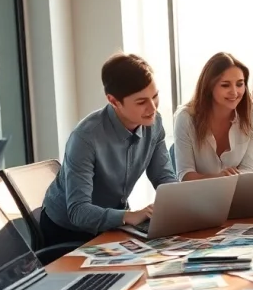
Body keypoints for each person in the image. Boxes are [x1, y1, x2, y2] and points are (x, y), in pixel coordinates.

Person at [41, 53, 176, 246]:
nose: (152, 108)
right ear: (113, 101)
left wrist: (180, 206)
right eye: (141, 102)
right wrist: (128, 216)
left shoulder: (154, 124)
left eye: (155, 97)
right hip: (67, 233)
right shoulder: (85, 137)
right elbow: (78, 211)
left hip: (112, 225)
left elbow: (164, 177)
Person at [173, 52, 253, 180]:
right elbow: (185, 175)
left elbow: (249, 168)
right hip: (199, 192)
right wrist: (218, 178)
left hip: (239, 191)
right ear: (209, 86)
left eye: (240, 84)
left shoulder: (252, 115)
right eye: (225, 85)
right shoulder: (185, 118)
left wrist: (229, 180)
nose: (234, 92)